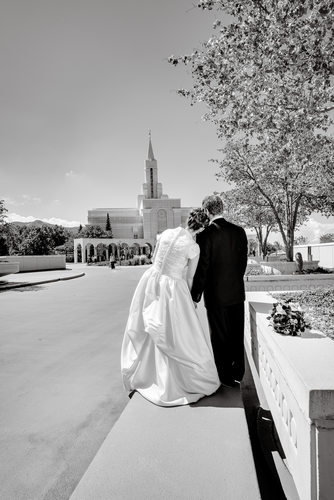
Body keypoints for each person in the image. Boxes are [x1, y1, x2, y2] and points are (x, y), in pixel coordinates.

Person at [121, 208, 220, 407]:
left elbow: (154, 258)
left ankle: (147, 373)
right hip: (172, 287)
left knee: (150, 326)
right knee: (172, 331)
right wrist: (190, 300)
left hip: (151, 280)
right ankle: (167, 379)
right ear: (201, 228)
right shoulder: (193, 247)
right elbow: (190, 276)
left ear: (188, 220)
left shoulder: (165, 233)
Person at [191, 195, 248, 388]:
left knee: (219, 336)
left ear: (207, 211)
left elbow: (203, 268)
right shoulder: (239, 232)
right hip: (236, 293)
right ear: (222, 208)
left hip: (215, 295)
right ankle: (238, 372)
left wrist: (195, 295)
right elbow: (242, 264)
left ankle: (225, 377)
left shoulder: (204, 235)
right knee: (236, 334)